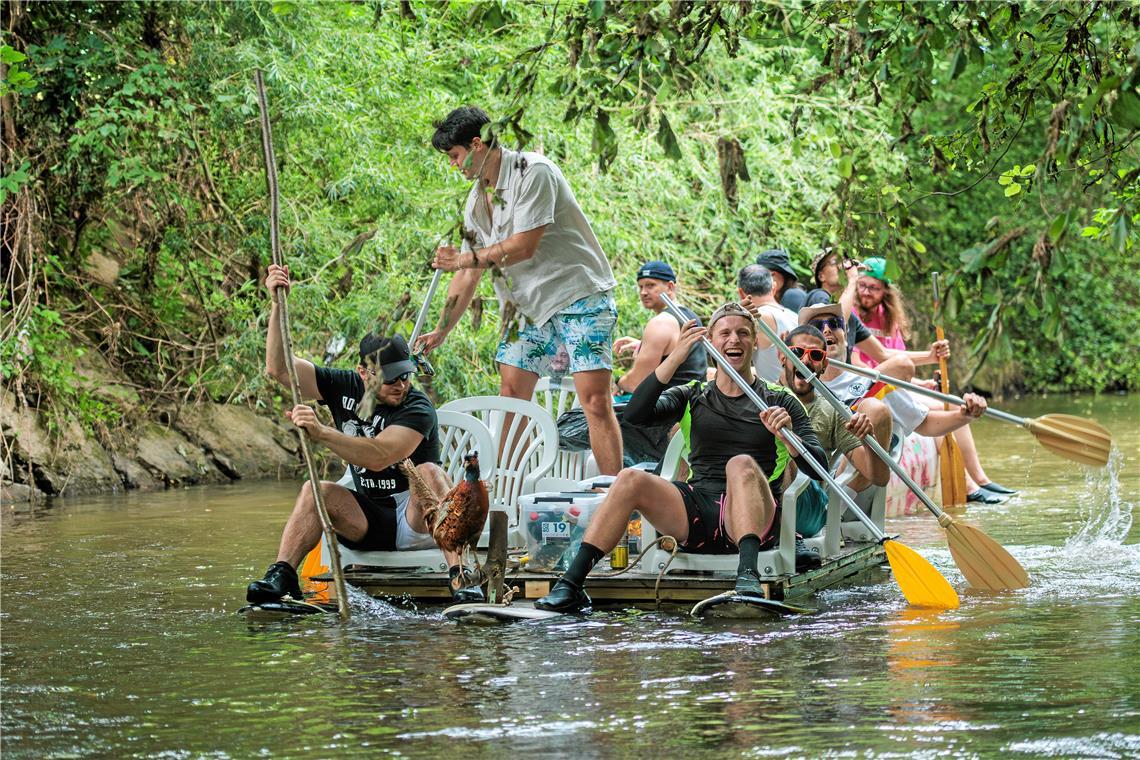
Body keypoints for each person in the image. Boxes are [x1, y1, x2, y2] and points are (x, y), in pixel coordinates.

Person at [535, 304, 827, 612]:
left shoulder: (779, 399)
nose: (734, 340)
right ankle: (571, 585)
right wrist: (675, 357)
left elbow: (818, 467)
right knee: (630, 478)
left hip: (756, 518)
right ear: (710, 342)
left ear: (754, 342)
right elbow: (635, 415)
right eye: (724, 333)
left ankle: (747, 578)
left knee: (739, 464)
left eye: (743, 333)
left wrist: (789, 437)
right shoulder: (693, 394)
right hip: (698, 512)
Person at [247, 265, 484, 605]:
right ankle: (282, 574)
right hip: (368, 519)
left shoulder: (417, 407)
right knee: (316, 490)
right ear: (363, 373)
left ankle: (460, 575)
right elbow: (279, 369)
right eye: (390, 379)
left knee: (430, 473)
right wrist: (276, 304)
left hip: (419, 521)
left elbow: (379, 456)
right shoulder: (342, 384)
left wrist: (321, 432)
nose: (400, 385)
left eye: (405, 376)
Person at [418, 106, 623, 474]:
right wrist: (442, 329)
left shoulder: (534, 171)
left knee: (593, 400)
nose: (454, 166)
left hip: (579, 294)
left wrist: (463, 260)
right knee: (511, 398)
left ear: (477, 145)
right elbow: (469, 275)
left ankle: (616, 497)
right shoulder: (476, 203)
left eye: (455, 156)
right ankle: (508, 492)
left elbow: (523, 246)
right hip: (527, 310)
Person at [851, 259, 1018, 500]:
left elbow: (896, 360)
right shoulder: (851, 316)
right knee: (942, 406)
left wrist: (922, 384)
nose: (866, 292)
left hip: (894, 386)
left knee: (950, 400)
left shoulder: (889, 319)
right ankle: (969, 486)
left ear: (885, 290)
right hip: (872, 388)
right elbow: (862, 364)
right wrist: (929, 357)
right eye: (862, 286)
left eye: (873, 288)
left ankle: (981, 479)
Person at [801, 303, 989, 453]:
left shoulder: (871, 383)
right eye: (817, 327)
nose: (826, 330)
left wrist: (964, 416)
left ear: (846, 334)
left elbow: (924, 424)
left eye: (834, 324)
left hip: (851, 479)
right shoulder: (797, 384)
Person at [778, 324, 891, 567]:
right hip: (755, 493)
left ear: (824, 364)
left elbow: (879, 478)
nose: (806, 361)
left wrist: (867, 441)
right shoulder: (760, 393)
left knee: (787, 453)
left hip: (804, 505)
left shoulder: (834, 410)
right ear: (782, 356)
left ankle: (787, 536)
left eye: (815, 355)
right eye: (798, 353)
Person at [612, 260, 707, 397]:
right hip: (692, 403)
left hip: (668, 409)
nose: (644, 292)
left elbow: (636, 384)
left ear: (670, 287)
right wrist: (643, 346)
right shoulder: (690, 316)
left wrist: (618, 382)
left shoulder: (660, 323)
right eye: (641, 287)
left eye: (651, 285)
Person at [737, 264, 800, 383]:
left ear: (741, 293)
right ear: (774, 287)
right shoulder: (795, 316)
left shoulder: (758, 319)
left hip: (775, 398)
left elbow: (735, 363)